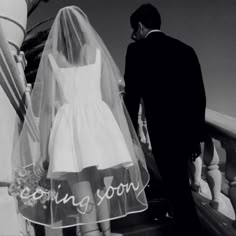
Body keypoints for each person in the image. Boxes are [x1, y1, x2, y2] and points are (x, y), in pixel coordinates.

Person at [11, 5, 149, 236]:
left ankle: (91, 232)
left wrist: (45, 152)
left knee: (82, 195)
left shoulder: (53, 59)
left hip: (70, 130)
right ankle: (106, 232)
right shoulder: (96, 54)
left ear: (60, 33)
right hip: (99, 124)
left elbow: (46, 110)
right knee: (100, 190)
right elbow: (113, 100)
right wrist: (124, 137)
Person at [124, 3, 206, 236]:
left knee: (177, 188)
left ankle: (189, 230)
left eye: (134, 31)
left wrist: (129, 130)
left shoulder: (136, 51)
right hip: (186, 133)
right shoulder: (186, 50)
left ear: (140, 26)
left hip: (161, 132)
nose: (134, 36)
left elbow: (132, 96)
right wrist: (195, 138)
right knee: (179, 187)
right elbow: (198, 95)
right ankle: (186, 226)